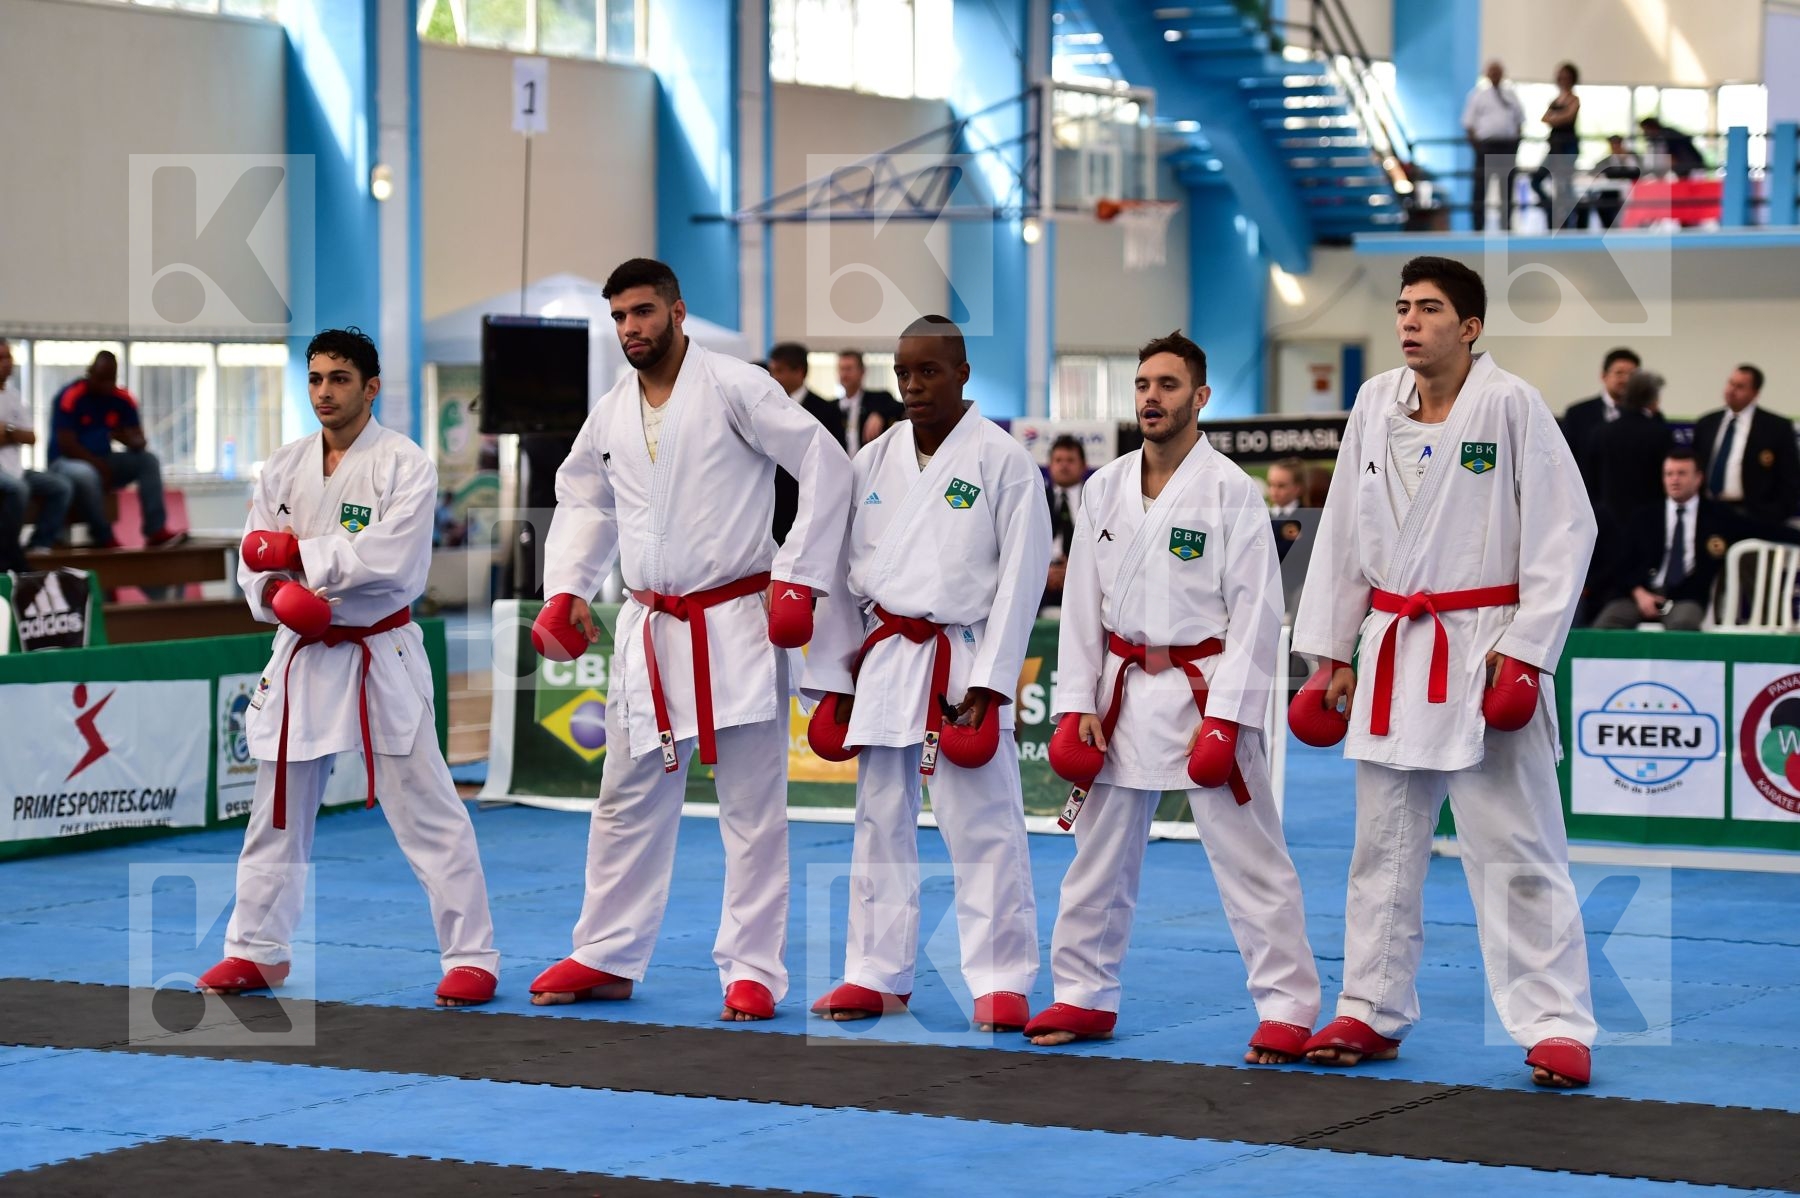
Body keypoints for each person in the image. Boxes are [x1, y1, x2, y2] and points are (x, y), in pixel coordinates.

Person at [1290, 256, 1598, 1088]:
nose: (1410, 321)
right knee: (1381, 847)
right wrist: (1330, 654)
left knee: (1515, 844)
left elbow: (1568, 529)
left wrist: (1529, 648)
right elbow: (1346, 535)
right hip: (1394, 645)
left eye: (1429, 309)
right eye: (1402, 308)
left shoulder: (1511, 405)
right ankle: (1371, 1006)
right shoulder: (1372, 404)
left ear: (1470, 327)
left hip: (1484, 642)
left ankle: (1557, 1021)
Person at [528, 258, 852, 1021]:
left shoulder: (737, 386)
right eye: (619, 318)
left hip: (736, 623)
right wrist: (568, 586)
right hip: (649, 627)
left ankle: (753, 969)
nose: (631, 329)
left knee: (752, 807)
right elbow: (582, 497)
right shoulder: (610, 409)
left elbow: (823, 463)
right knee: (624, 801)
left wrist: (799, 573)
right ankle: (605, 953)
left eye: (643, 312)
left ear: (678, 312)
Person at [1029, 331, 1320, 1058]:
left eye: (1166, 385)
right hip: (1121, 693)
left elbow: (1258, 613)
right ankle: (1082, 994)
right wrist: (1076, 704)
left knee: (1251, 859)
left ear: (1200, 397)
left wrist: (1226, 717)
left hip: (1203, 692)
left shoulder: (1228, 492)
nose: (1151, 397)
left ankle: (1287, 1004)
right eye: (1142, 385)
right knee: (1097, 857)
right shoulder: (1103, 488)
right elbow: (1082, 611)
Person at [196, 327, 501, 1007]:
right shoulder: (281, 465)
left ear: (371, 387)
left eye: (338, 379)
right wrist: (276, 594)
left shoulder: (405, 465)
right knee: (274, 810)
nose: (324, 392)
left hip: (376, 651)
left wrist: (299, 558)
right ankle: (256, 950)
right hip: (302, 652)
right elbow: (252, 558)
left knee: (427, 807)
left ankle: (472, 954)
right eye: (315, 379)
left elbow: (393, 559)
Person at [803, 315, 1048, 1032]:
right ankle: (875, 972)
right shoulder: (871, 460)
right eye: (903, 372)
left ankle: (1001, 975)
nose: (912, 385)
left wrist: (994, 678)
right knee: (879, 820)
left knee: (983, 820)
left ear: (963, 372)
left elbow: (1023, 578)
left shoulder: (1003, 462)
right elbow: (843, 580)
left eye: (929, 371)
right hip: (884, 657)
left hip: (958, 658)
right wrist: (836, 680)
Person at [1592, 449, 1800, 631]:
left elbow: (1764, 529)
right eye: (1669, 474)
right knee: (1606, 625)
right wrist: (1639, 593)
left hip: (1686, 598)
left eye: (1682, 473)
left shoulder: (1718, 516)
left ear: (1698, 478)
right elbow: (1622, 563)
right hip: (1640, 596)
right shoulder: (1645, 516)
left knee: (1684, 625)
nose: (1674, 480)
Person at [47, 351, 183, 548]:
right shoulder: (71, 396)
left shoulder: (122, 399)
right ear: (90, 373)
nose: (105, 385)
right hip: (65, 463)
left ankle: (155, 529)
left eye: (109, 380)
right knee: (87, 474)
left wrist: (131, 440)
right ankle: (103, 535)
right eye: (100, 379)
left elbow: (139, 438)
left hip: (104, 461)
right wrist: (98, 466)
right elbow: (66, 444)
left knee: (148, 460)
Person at [0, 339, 74, 571]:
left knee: (61, 487)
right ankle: (8, 551)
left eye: (9, 357)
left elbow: (32, 437)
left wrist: (9, 432)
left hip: (16, 468)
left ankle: (40, 543)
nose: (7, 363)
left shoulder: (12, 394)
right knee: (19, 489)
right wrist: (14, 433)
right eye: (1, 358)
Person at [1694, 364, 1800, 525]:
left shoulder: (1777, 427)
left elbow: (1789, 478)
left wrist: (1776, 514)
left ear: (1755, 393)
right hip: (1709, 511)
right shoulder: (1707, 423)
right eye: (1730, 383)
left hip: (1753, 514)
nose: (1731, 390)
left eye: (1740, 386)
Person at [767, 341, 844, 543]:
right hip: (772, 504)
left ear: (799, 371)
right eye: (772, 370)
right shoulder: (768, 407)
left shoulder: (826, 411)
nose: (773, 377)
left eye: (779, 371)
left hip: (807, 503)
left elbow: (834, 460)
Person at [1585, 369, 1672, 525]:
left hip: (1606, 519)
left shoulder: (1600, 432)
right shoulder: (1660, 433)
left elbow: (1590, 480)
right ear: (1653, 400)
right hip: (1648, 519)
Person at [1560, 347, 1639, 497]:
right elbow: (1567, 460)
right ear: (1604, 376)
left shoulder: (1647, 417)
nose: (1626, 379)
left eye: (1632, 375)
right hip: (1587, 498)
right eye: (1619, 373)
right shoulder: (1577, 414)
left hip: (1632, 504)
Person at [1462, 61, 1525, 231]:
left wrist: (1516, 143)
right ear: (1487, 74)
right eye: (1492, 71)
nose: (1496, 75)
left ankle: (1506, 225)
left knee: (1507, 189)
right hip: (1486, 147)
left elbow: (1520, 121)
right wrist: (1478, 147)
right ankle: (1478, 227)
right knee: (1481, 189)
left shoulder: (1511, 95)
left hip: (1507, 147)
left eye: (1499, 71)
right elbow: (1468, 124)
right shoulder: (1477, 95)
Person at [1530, 63, 1582, 229]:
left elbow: (1567, 117)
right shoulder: (1555, 100)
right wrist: (1558, 117)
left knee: (1564, 183)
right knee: (1536, 180)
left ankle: (1570, 220)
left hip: (1568, 147)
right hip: (1554, 147)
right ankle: (1551, 210)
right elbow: (1545, 118)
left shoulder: (1574, 99)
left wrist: (1556, 117)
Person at [1043, 434, 1086, 610]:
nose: (1064, 465)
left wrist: (1076, 570)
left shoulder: (1098, 500)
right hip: (1040, 583)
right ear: (1049, 465)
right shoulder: (1035, 499)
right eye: (1058, 460)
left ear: (1084, 466)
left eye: (1070, 460)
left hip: (1084, 583)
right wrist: (1042, 572)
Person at [837, 350, 904, 453]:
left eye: (849, 369)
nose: (844, 374)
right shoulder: (832, 407)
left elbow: (900, 407)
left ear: (862, 372)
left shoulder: (879, 399)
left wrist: (880, 413)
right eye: (841, 369)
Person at [1580, 135, 1642, 228]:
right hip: (1613, 191)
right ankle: (1609, 227)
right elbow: (1594, 171)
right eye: (1613, 145)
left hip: (1634, 189)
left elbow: (1640, 171)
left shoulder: (1634, 157)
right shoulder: (1607, 161)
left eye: (1617, 144)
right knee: (1601, 202)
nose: (1615, 147)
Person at [1639, 117, 1707, 179]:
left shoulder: (1665, 136)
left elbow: (1671, 158)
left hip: (1691, 167)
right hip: (1689, 166)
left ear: (1651, 127)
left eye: (1645, 130)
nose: (1645, 133)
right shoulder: (1665, 134)